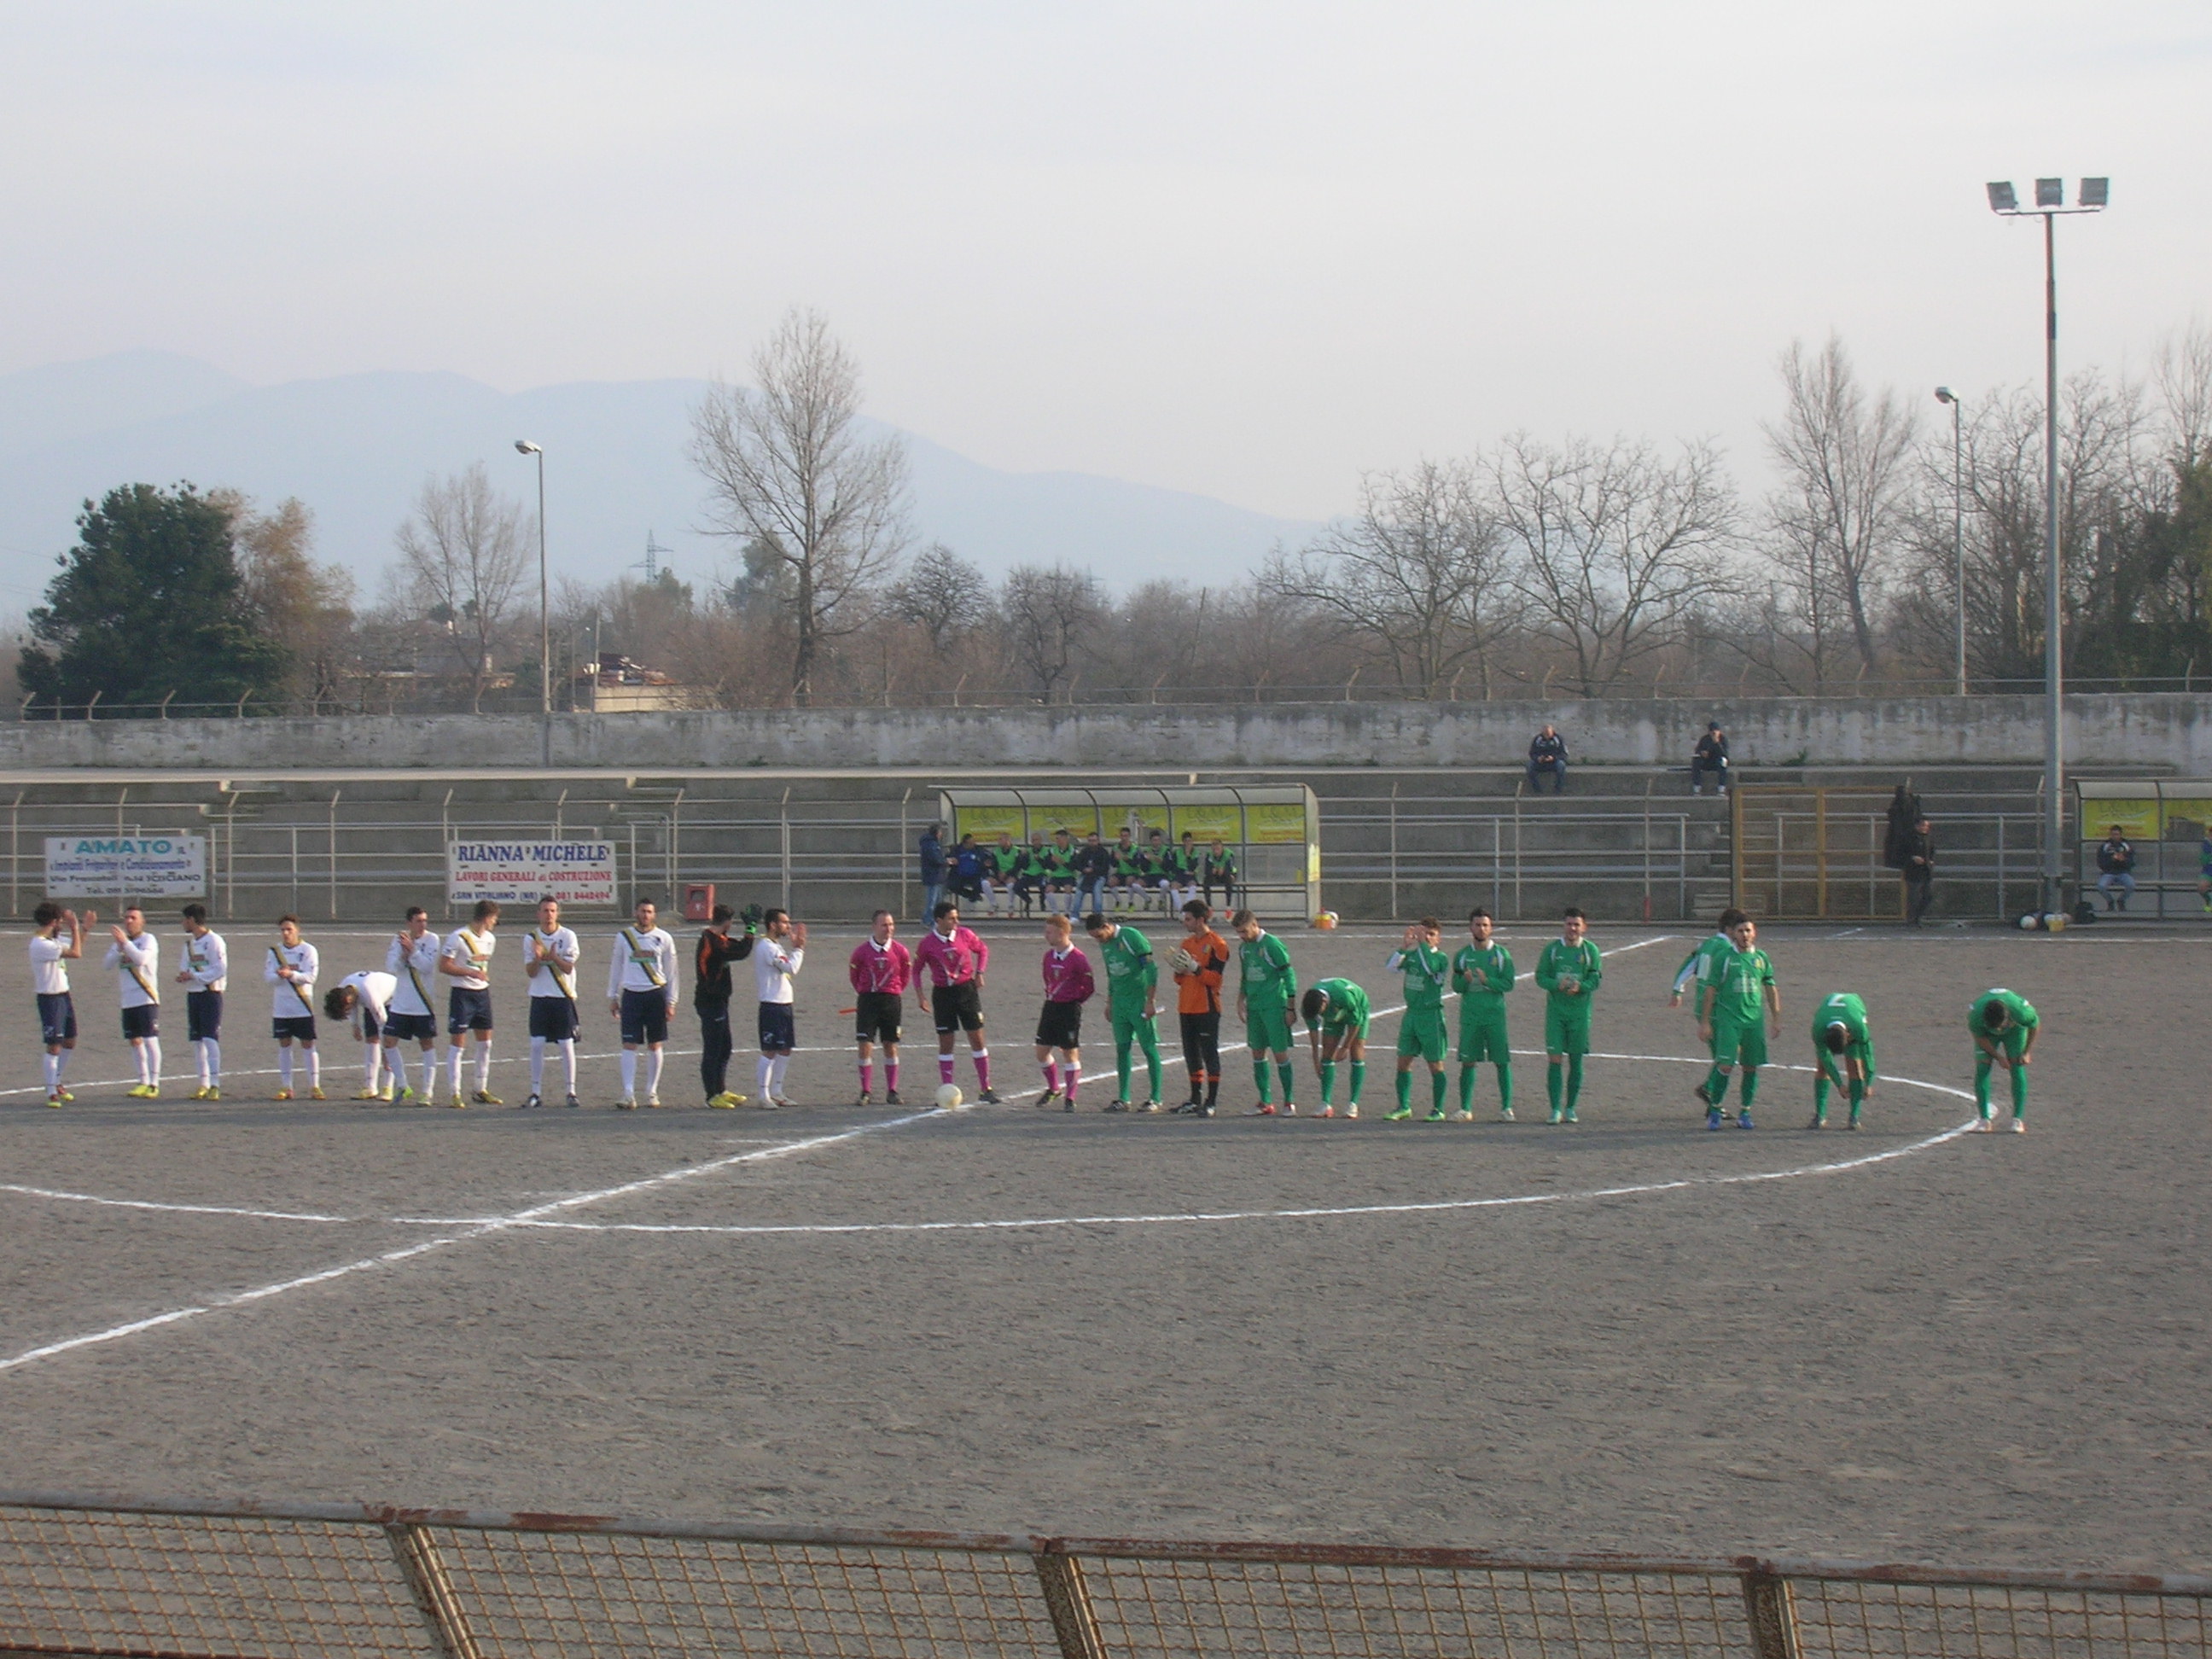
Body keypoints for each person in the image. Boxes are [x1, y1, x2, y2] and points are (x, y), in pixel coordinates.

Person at [1695, 914, 1778, 1130]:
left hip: (1754, 1021)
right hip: (1728, 1020)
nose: (1745, 935)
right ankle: (1715, 1109)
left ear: (1755, 932)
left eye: (1748, 931)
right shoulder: (1724, 957)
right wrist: (1705, 1022)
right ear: (1734, 934)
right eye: (1741, 931)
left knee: (1751, 1067)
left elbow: (1770, 988)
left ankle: (1745, 1112)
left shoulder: (1761, 958)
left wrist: (1776, 1018)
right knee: (1725, 1065)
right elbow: (1710, 989)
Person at [915, 900, 1000, 1103]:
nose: (956, 921)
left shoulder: (965, 935)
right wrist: (921, 996)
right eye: (952, 918)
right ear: (939, 920)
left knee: (977, 1038)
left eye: (956, 917)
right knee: (946, 1042)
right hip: (943, 994)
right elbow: (916, 970)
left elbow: (983, 950)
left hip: (966, 991)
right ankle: (947, 1088)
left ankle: (985, 1088)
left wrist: (980, 973)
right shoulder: (927, 943)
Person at [607, 897, 679, 1109]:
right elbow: (616, 967)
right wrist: (613, 996)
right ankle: (628, 1093)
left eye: (649, 911)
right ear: (636, 913)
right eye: (642, 911)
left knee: (655, 1043)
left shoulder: (664, 938)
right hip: (631, 995)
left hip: (656, 995)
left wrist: (672, 1001)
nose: (645, 915)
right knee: (629, 1044)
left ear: (654, 915)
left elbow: (672, 972)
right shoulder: (624, 937)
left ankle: (651, 1091)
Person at [1086, 911, 1162, 1110]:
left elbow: (1151, 969)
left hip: (1139, 1001)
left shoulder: (1131, 937)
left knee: (1148, 1048)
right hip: (1120, 1004)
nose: (1098, 941)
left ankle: (1155, 1098)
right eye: (1094, 938)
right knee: (1122, 1048)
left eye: (1099, 936)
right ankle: (1124, 1098)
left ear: (1107, 926)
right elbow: (1112, 975)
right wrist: (1109, 1003)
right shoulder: (1106, 945)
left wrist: (1150, 1000)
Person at [1534, 907, 1599, 1122]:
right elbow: (1540, 977)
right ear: (1564, 926)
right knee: (1555, 1059)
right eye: (1569, 924)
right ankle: (1555, 1109)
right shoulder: (1552, 950)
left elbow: (1595, 979)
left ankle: (1571, 1107)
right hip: (1556, 1014)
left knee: (1576, 1061)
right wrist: (1556, 984)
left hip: (1580, 1015)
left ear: (1584, 927)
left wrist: (1581, 987)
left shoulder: (1591, 951)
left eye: (1576, 924)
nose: (1572, 928)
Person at [1384, 917, 1452, 1121]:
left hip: (1430, 1016)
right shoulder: (1414, 955)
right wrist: (1404, 948)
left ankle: (1438, 1108)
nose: (1427, 938)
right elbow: (1391, 968)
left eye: (1432, 935)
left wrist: (1422, 943)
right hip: (1411, 1014)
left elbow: (1430, 967)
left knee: (1435, 1064)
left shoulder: (1440, 958)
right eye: (1425, 933)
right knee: (1403, 1061)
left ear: (1438, 939)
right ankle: (1403, 1106)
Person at [1452, 908, 1515, 1121]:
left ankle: (1506, 1108)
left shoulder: (1501, 955)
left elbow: (1508, 983)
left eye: (1485, 925)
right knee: (1468, 1062)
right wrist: (1465, 981)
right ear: (1471, 927)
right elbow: (1456, 986)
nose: (1481, 929)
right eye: (1478, 925)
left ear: (1491, 928)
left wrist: (1488, 981)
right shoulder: (1462, 956)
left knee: (1501, 1061)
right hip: (1471, 1016)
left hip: (1495, 1016)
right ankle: (1465, 1108)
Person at [1233, 909, 1298, 1115]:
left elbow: (1289, 976)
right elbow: (1245, 977)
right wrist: (1240, 1001)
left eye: (1244, 931)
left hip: (1274, 1007)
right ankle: (1265, 1101)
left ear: (1255, 925)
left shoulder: (1272, 945)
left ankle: (1289, 1101)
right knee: (1257, 1053)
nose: (1242, 936)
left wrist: (1290, 1007)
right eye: (1239, 933)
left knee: (1280, 1054)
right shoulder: (1244, 949)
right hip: (1255, 1007)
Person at [439, 899, 501, 1106]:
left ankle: (479, 1088)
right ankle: (454, 1092)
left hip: (482, 995)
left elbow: (482, 966)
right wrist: (470, 972)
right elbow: (444, 966)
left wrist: (479, 975)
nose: (495, 922)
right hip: (462, 994)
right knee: (458, 1046)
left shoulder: (490, 939)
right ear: (486, 917)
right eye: (494, 918)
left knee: (485, 1044)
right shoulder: (458, 937)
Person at [525, 896, 585, 1109]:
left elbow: (568, 967)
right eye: (545, 910)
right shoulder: (531, 938)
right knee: (536, 1045)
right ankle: (535, 1091)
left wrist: (553, 957)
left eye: (552, 910)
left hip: (563, 997)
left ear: (557, 913)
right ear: (538, 914)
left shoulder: (568, 936)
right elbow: (531, 973)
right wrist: (538, 959)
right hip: (540, 997)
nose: (549, 914)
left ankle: (571, 1091)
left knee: (566, 1045)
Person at [1170, 900, 1230, 1115]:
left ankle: (1211, 1101)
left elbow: (1215, 979)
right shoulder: (1186, 944)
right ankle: (1194, 1098)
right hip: (1186, 1006)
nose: (1185, 923)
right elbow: (1178, 979)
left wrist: (1195, 969)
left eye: (1188, 919)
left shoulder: (1218, 945)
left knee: (1209, 1053)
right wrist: (1179, 969)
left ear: (1200, 920)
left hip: (1207, 1008)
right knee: (1191, 1054)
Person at [692, 902, 754, 1109]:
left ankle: (721, 1089)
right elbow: (742, 951)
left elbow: (736, 947)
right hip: (710, 1001)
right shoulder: (712, 942)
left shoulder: (719, 939)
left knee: (725, 1047)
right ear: (727, 922)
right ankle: (711, 1095)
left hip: (720, 1001)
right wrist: (751, 929)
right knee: (713, 1049)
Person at [381, 907, 444, 1103]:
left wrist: (413, 951)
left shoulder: (432, 939)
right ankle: (402, 1085)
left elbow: (427, 967)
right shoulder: (398, 939)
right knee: (389, 1042)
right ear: (409, 923)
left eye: (425, 920)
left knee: (426, 1043)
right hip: (401, 1003)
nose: (423, 924)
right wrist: (403, 955)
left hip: (422, 1002)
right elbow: (392, 967)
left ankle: (427, 1091)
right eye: (418, 921)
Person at [849, 909, 911, 1106]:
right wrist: (864, 990)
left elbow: (905, 975)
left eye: (891, 924)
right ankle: (865, 1090)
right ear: (874, 926)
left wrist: (895, 990)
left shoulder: (900, 951)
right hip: (868, 1000)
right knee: (865, 1045)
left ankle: (892, 1090)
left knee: (890, 1045)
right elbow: (855, 976)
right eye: (885, 925)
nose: (889, 929)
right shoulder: (861, 952)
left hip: (891, 1000)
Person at [1034, 912, 1095, 1112]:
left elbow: (1089, 986)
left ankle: (1070, 1097)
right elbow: (1046, 979)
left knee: (1070, 1052)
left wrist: (1076, 1000)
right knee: (1041, 1051)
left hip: (1069, 1009)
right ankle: (1053, 1088)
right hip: (1051, 1006)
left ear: (1061, 933)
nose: (1046, 935)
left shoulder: (1078, 958)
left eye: (1049, 932)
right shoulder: (1048, 957)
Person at [29, 903, 86, 1106]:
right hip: (50, 998)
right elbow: (76, 953)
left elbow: (74, 947)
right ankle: (51, 1090)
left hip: (63, 995)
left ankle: (58, 1080)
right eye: (60, 920)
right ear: (54, 921)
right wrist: (74, 928)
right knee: (54, 1045)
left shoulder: (52, 941)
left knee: (70, 1040)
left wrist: (83, 929)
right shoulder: (41, 944)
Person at [103, 905, 162, 1098]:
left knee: (150, 1039)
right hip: (128, 999)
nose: (129, 921)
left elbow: (142, 960)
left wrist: (125, 944)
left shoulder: (149, 940)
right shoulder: (121, 943)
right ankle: (142, 1080)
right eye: (126, 918)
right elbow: (106, 965)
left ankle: (154, 1083)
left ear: (142, 921)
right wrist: (119, 948)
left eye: (133, 918)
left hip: (146, 996)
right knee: (134, 1040)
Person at [753, 908, 806, 1108]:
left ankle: (777, 1091)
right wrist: (799, 949)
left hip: (784, 1004)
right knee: (770, 1050)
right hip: (771, 1005)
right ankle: (763, 1094)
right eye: (784, 922)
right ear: (773, 925)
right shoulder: (768, 947)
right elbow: (791, 968)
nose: (788, 926)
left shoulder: (776, 947)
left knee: (785, 1049)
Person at [265, 914, 322, 1102]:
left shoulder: (308, 950)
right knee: (284, 1044)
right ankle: (286, 1086)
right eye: (282, 930)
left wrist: (291, 974)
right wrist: (279, 976)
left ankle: (315, 1086)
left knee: (308, 1044)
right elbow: (268, 977)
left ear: (297, 930)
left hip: (303, 1006)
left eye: (289, 929)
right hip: (282, 1007)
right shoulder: (274, 951)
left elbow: (311, 977)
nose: (286, 933)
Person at [1970, 987, 2039, 1132]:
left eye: (2001, 1027)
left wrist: (2027, 1052)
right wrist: (1998, 1057)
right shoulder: (1975, 1015)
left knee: (2017, 1064)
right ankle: (1984, 1120)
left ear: (2008, 1017)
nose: (1999, 1031)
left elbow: (2034, 1025)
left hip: (2014, 1032)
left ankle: (2017, 1119)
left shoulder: (2021, 1012)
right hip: (1988, 1036)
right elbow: (1980, 1037)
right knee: (1983, 1066)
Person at [177, 904, 228, 1101]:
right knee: (197, 1040)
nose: (183, 924)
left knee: (210, 1038)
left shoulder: (214, 941)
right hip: (193, 994)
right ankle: (203, 1083)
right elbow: (184, 967)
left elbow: (220, 969)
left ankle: (215, 1084)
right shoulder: (188, 945)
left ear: (191, 920)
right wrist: (184, 976)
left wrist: (196, 977)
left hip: (210, 994)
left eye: (184, 920)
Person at [1300, 975, 1369, 1120]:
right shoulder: (1308, 1006)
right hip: (1334, 1015)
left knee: (1357, 1050)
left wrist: (1345, 1047)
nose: (1319, 1016)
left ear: (1324, 1002)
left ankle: (1353, 1104)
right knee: (1327, 1051)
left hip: (1356, 1008)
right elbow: (1313, 1035)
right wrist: (1315, 1060)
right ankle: (1325, 1103)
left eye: (1320, 1012)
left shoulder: (1344, 996)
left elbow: (1355, 1022)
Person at [323, 969, 397, 1099]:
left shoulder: (370, 996)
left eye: (346, 1010)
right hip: (372, 997)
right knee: (371, 1040)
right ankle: (370, 1087)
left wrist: (385, 1049)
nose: (348, 1011)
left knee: (388, 1044)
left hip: (393, 998)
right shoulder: (344, 988)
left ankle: (388, 1087)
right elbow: (352, 1005)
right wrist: (355, 1025)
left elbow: (382, 1022)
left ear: (348, 1000)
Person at [1808, 991, 1876, 1131]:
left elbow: (1867, 1055)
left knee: (1855, 1065)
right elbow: (1826, 1059)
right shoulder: (1818, 1029)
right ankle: (1820, 1116)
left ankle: (1854, 1118)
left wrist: (1868, 1083)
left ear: (1849, 1035)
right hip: (1831, 1012)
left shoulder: (1858, 1028)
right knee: (1822, 1067)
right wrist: (1839, 1085)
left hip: (1854, 1007)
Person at [1670, 908, 1747, 1013]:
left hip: (1701, 1004)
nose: (1744, 935)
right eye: (1740, 930)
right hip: (1720, 1005)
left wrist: (1677, 990)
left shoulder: (1706, 944)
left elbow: (1688, 966)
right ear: (1729, 929)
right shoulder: (1728, 949)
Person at [1901, 816, 1936, 926]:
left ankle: (1918, 916)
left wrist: (1931, 861)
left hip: (1926, 871)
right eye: (1922, 825)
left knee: (1928, 895)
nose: (1925, 828)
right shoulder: (1908, 838)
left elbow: (1932, 851)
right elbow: (1901, 854)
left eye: (1927, 826)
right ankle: (1911, 920)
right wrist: (1912, 858)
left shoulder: (1928, 838)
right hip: (1913, 872)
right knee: (1914, 897)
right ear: (1916, 826)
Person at [983, 831, 1025, 919]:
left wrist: (1007, 874)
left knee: (1011, 885)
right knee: (985, 883)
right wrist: (992, 867)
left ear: (1007, 840)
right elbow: (994, 864)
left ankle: (1010, 906)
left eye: (1000, 839)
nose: (998, 842)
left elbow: (1018, 866)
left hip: (1012, 874)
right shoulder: (996, 851)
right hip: (999, 874)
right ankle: (994, 904)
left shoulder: (1017, 851)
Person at [2095, 825, 2137, 911]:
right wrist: (2112, 859)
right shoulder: (2105, 846)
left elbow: (2132, 862)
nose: (2115, 836)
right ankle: (2110, 901)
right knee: (2101, 886)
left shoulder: (2126, 846)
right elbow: (2101, 862)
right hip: (2108, 873)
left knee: (2131, 885)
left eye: (2117, 834)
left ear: (2121, 835)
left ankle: (2121, 900)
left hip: (2123, 872)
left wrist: (2123, 860)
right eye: (2113, 834)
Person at [1073, 830, 1113, 917]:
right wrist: (1084, 869)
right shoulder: (1084, 851)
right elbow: (1078, 864)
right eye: (1090, 841)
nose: (1092, 843)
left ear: (1098, 841)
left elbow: (1105, 868)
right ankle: (1074, 916)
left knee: (1097, 891)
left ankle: (1097, 916)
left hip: (1099, 876)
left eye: (1094, 840)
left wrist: (1093, 869)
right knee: (1079, 891)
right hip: (1085, 875)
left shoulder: (1103, 852)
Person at [917, 823, 948, 920]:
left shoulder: (933, 843)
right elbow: (935, 859)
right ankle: (928, 920)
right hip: (932, 876)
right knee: (932, 901)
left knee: (938, 901)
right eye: (940, 832)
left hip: (937, 876)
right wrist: (946, 861)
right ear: (936, 832)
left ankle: (935, 920)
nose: (941, 834)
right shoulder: (930, 844)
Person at [1045, 828, 1078, 916]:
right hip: (1056, 875)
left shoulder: (1073, 850)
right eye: (1056, 839)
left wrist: (1062, 862)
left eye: (1059, 838)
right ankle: (1055, 912)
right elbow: (1048, 865)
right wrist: (1053, 863)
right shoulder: (1052, 850)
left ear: (1066, 839)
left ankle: (1067, 912)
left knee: (1068, 890)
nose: (1057, 841)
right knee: (1048, 891)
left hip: (1069, 875)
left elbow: (1074, 866)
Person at [1691, 722, 1730, 795]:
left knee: (1723, 762)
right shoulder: (1705, 739)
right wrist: (1702, 753)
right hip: (1707, 762)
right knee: (1696, 761)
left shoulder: (1723, 739)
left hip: (1717, 762)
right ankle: (1697, 787)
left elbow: (1725, 754)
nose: (1714, 733)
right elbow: (1698, 751)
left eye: (1716, 731)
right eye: (1712, 731)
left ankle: (1721, 787)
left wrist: (1717, 743)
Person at [1528, 725, 1569, 794]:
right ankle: (1537, 790)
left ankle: (1558, 790)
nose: (1547, 736)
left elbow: (1564, 754)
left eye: (1548, 734)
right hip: (1540, 763)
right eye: (1545, 734)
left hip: (1554, 763)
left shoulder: (1558, 739)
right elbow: (1532, 753)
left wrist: (1553, 758)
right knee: (1529, 765)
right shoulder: (1538, 739)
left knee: (1561, 765)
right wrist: (1538, 758)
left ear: (1552, 732)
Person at [949, 834, 987, 905]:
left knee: (980, 884)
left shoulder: (978, 849)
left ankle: (974, 897)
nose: (973, 845)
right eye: (970, 843)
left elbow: (987, 857)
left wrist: (987, 861)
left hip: (975, 875)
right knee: (952, 886)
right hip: (960, 875)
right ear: (965, 843)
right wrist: (952, 860)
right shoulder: (956, 850)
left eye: (973, 842)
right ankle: (970, 895)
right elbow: (948, 858)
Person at [1202, 841, 1239, 911]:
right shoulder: (1209, 855)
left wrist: (1224, 870)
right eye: (1214, 850)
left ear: (1222, 849)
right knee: (1206, 881)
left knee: (1229, 879)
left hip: (1227, 875)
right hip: (1214, 875)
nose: (1216, 852)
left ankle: (1228, 907)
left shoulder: (1229, 854)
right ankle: (1209, 907)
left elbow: (1232, 868)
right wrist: (1212, 871)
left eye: (1218, 849)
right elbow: (1206, 870)